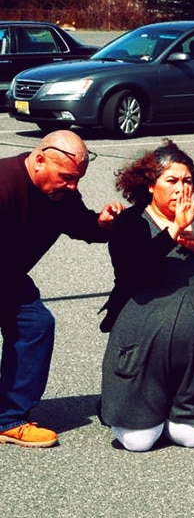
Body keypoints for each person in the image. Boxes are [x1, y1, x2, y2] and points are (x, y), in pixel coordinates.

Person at [98, 140, 194, 452]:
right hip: (140, 350)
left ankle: (178, 405)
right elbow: (134, 272)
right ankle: (142, 405)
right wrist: (173, 232)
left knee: (192, 438)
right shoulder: (129, 222)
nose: (181, 189)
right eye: (172, 180)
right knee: (138, 442)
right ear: (150, 185)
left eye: (187, 181)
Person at [0, 130, 122, 448]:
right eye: (67, 177)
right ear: (40, 160)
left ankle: (10, 419)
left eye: (78, 179)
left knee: (36, 324)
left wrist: (102, 224)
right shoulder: (4, 184)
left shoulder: (61, 195)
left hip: (8, 276)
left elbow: (80, 224)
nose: (73, 186)